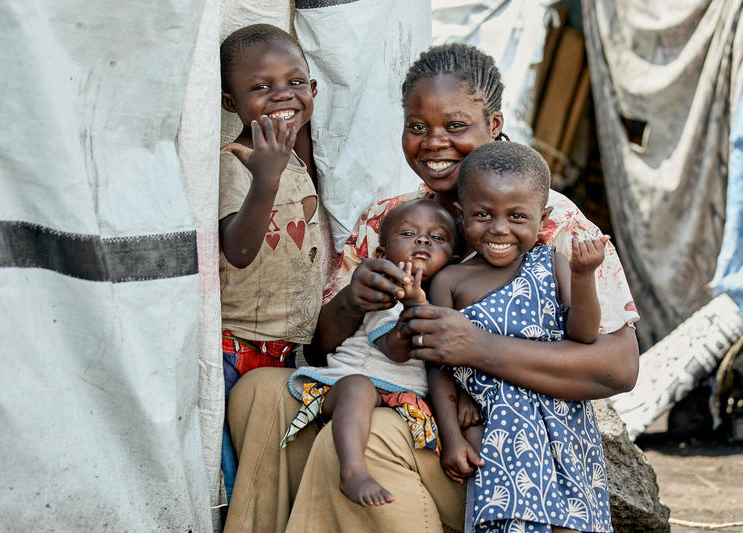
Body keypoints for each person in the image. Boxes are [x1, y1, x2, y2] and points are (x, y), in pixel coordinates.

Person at [224, 43, 639, 533]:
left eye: (456, 126)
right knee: (260, 392)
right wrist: (353, 301)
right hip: (397, 397)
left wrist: (478, 347)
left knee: (370, 437)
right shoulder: (387, 219)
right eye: (417, 127)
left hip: (497, 450)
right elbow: (322, 353)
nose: (434, 143)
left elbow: (619, 366)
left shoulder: (550, 223)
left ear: (495, 124)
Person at [427, 141, 613, 533]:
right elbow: (438, 367)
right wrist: (452, 436)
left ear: (542, 218)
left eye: (516, 216)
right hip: (500, 428)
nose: (499, 228)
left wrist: (583, 277)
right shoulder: (449, 282)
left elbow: (581, 336)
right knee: (512, 520)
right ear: (460, 215)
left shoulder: (553, 264)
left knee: (573, 523)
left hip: (565, 422)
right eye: (482, 214)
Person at [280, 199, 457, 507]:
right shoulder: (385, 297)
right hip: (347, 383)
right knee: (358, 387)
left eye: (437, 238)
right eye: (408, 233)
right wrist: (412, 304)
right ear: (382, 255)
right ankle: (352, 471)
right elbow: (396, 350)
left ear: (453, 261)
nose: (423, 240)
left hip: (397, 396)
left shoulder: (450, 305)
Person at [217, 24, 324, 501]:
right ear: (228, 101)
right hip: (233, 350)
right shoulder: (233, 163)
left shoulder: (299, 162)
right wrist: (266, 179)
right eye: (260, 87)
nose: (283, 95)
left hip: (281, 354)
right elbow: (238, 251)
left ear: (313, 88)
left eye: (295, 82)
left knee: (267, 478)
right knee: (230, 475)